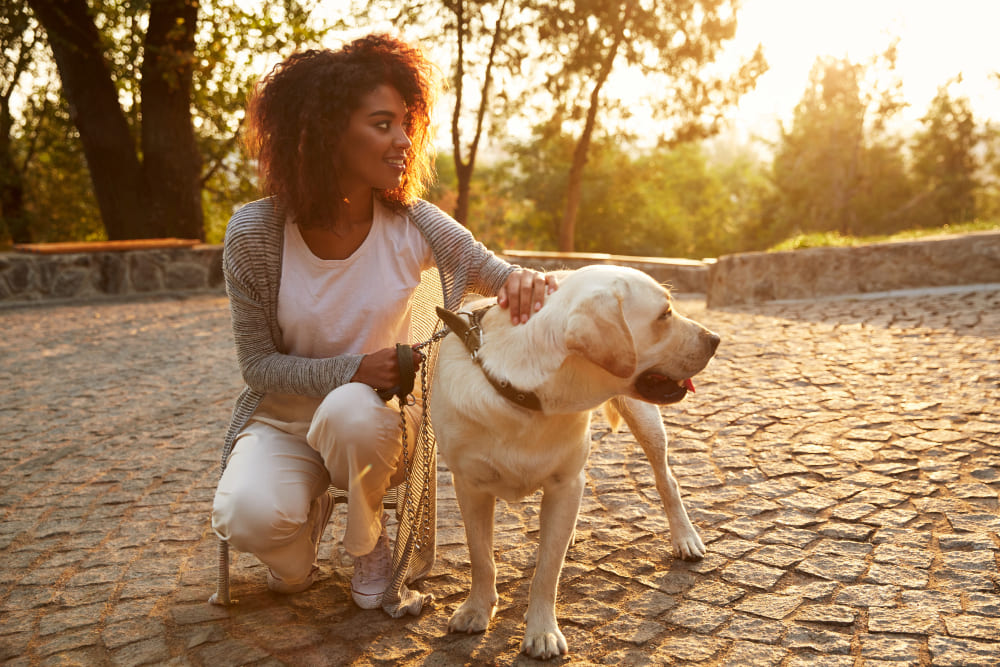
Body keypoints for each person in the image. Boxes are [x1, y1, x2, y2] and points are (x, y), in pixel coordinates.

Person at [210, 33, 557, 611]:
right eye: (381, 125)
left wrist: (525, 281)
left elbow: (494, 272)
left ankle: (368, 543)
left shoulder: (413, 224)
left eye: (404, 123)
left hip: (376, 426)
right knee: (251, 522)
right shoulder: (255, 233)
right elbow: (257, 365)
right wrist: (353, 367)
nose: (403, 140)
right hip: (283, 423)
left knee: (350, 412)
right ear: (326, 136)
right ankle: (307, 517)